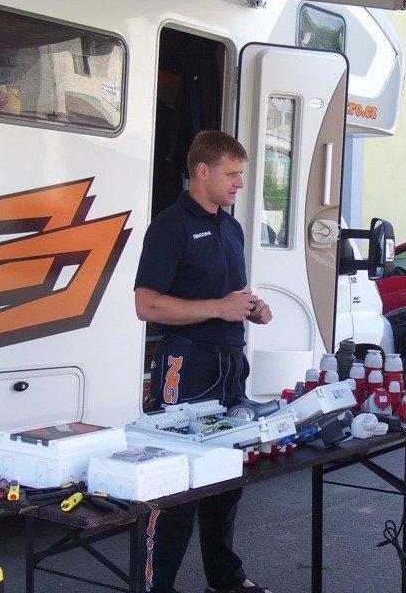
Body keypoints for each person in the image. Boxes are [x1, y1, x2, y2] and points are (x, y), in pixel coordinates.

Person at [134, 130, 273, 593]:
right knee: (178, 483)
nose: (240, 184)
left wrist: (253, 308)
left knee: (227, 477)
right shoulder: (170, 226)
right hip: (187, 363)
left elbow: (229, 296)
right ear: (202, 171)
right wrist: (219, 308)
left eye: (241, 174)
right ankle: (157, 587)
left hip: (230, 365)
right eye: (232, 174)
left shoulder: (230, 227)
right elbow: (147, 305)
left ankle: (225, 580)